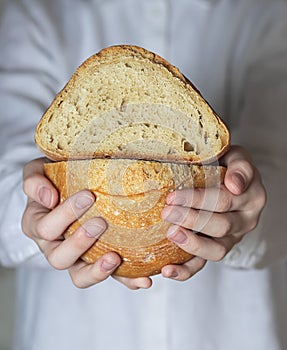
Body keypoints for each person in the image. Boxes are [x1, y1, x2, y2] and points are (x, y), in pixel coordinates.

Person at [0, 0, 286, 349]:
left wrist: (247, 205)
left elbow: (280, 170)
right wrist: (32, 209)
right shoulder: (37, 9)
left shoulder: (266, 10)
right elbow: (6, 180)